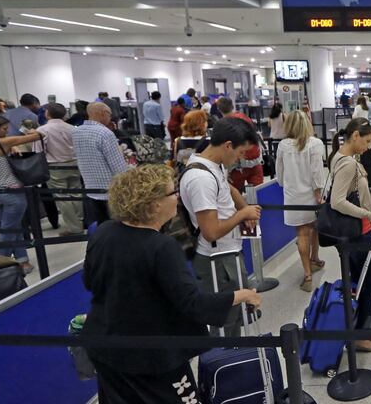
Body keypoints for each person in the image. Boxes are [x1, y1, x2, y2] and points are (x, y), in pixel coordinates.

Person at [82, 164, 261, 404]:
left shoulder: (104, 232)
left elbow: (90, 280)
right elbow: (193, 303)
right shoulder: (161, 247)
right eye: (172, 193)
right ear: (154, 204)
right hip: (152, 357)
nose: (177, 198)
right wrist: (242, 295)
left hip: (104, 346)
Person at [180, 118, 262, 337]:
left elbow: (228, 188)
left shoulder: (213, 165)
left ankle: (235, 360)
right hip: (215, 260)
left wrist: (244, 207)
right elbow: (211, 231)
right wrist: (242, 214)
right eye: (241, 152)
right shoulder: (200, 179)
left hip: (227, 253)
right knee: (223, 325)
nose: (241, 158)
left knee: (235, 317)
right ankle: (225, 365)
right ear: (228, 145)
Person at [327, 118, 371, 352]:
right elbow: (337, 201)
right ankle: (359, 335)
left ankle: (358, 329)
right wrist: (368, 214)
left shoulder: (341, 157)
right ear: (356, 135)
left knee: (361, 282)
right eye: (367, 141)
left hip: (355, 232)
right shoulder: (348, 164)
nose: (369, 147)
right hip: (357, 232)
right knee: (370, 283)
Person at [0, 115, 44, 274]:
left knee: (13, 228)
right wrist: (33, 130)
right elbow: (39, 136)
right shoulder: (2, 143)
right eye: (4, 129)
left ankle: (23, 262)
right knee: (8, 231)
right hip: (12, 194)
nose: (6, 131)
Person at [276, 111, 325, 292]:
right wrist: (318, 192)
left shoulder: (283, 146)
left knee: (302, 233)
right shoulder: (315, 144)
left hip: (293, 196)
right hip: (311, 195)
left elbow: (279, 176)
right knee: (314, 227)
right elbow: (317, 172)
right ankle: (315, 259)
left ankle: (307, 275)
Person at [74, 102, 128, 226]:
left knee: (102, 225)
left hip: (91, 189)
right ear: (103, 113)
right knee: (117, 227)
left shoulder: (77, 131)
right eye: (110, 114)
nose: (110, 117)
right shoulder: (105, 133)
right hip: (111, 191)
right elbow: (118, 167)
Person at [35, 103, 84, 236]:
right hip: (74, 164)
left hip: (55, 166)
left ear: (47, 114)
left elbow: (39, 151)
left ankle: (74, 227)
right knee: (76, 193)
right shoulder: (73, 128)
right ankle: (81, 222)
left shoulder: (42, 130)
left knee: (62, 197)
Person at [218, 97, 264, 193]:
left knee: (236, 198)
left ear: (219, 110)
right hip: (255, 162)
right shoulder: (245, 118)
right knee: (258, 196)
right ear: (232, 106)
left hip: (237, 167)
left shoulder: (224, 125)